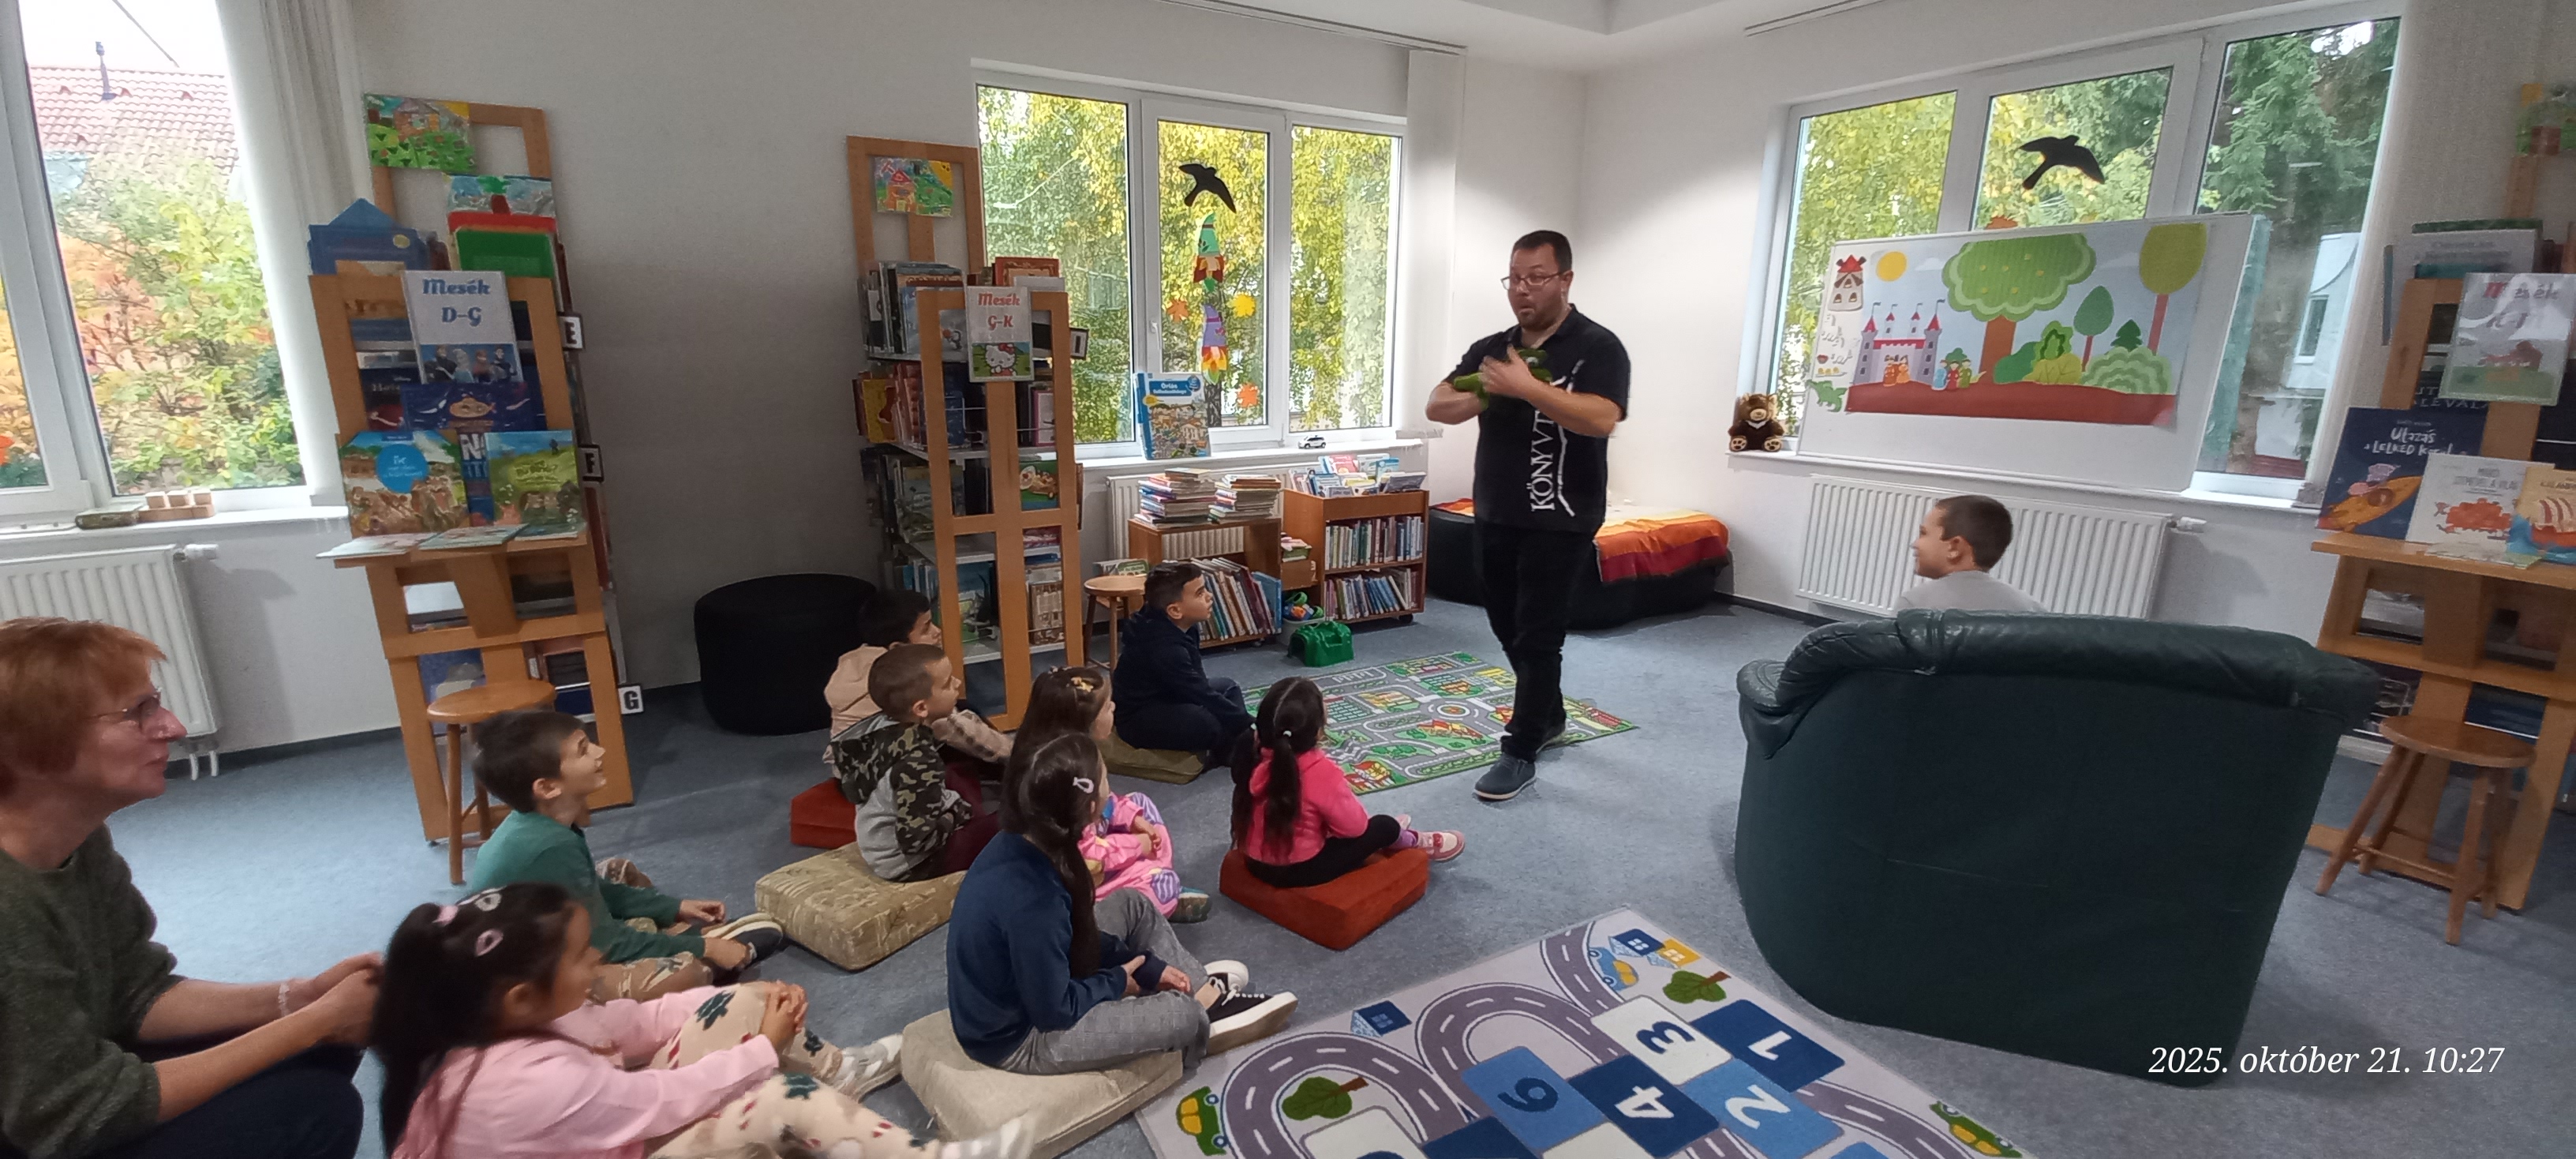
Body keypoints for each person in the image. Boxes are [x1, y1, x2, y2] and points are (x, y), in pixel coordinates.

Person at [0, 617, 377, 1159]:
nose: (173, 727)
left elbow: (134, 991)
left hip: (57, 1090)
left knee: (321, 1050)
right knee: (310, 1108)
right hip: (40, 1126)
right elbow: (72, 1116)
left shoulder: (76, 839)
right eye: (138, 712)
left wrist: (302, 999)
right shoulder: (9, 902)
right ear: (30, 745)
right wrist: (313, 1024)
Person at [371, 881, 1026, 1159]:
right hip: (626, 1131)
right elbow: (656, 1101)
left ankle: (841, 1074)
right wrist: (762, 1051)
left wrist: (752, 1000)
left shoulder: (518, 1020)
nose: (597, 959)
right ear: (519, 998)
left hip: (613, 1125)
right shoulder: (522, 1083)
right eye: (580, 955)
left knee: (738, 1002)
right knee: (781, 1097)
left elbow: (631, 1022)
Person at [947, 734, 1294, 1077]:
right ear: (1091, 809)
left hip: (1042, 981)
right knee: (1181, 1015)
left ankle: (1206, 997)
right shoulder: (1034, 900)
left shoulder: (1034, 838)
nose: (1110, 787)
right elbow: (1054, 1010)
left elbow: (1074, 932)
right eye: (1105, 778)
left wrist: (1147, 968)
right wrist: (1116, 982)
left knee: (1132, 904)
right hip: (1023, 1037)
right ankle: (1200, 1019)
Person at [1425, 229, 1631, 803]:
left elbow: (1602, 418)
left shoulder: (1598, 347)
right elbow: (1438, 404)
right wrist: (1495, 389)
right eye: (1514, 278)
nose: (1523, 289)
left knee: (1539, 635)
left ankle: (1520, 749)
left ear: (1565, 279)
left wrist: (1530, 389)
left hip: (1562, 517)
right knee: (1505, 624)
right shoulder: (1493, 349)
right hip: (1496, 511)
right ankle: (1550, 712)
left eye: (1536, 277)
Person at [464, 710, 781, 1002]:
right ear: (547, 788)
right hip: (537, 981)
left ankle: (676, 936)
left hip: (561, 934)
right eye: (584, 750)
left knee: (618, 869)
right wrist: (705, 948)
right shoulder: (549, 846)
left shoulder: (543, 823)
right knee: (684, 975)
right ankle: (708, 958)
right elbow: (605, 943)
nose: (599, 752)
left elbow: (592, 889)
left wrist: (674, 907)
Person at [1013, 666, 1209, 923]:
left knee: (1139, 803)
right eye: (1107, 707)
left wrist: (1132, 818)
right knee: (1163, 883)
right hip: (1079, 875)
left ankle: (1151, 874)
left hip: (1093, 838)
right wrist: (1139, 845)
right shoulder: (1066, 779)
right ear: (1086, 722)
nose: (1114, 708)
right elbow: (1090, 856)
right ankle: (1146, 893)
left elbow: (1106, 804)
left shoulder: (1072, 758)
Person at [1237, 677, 1462, 887]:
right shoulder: (1320, 771)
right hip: (1300, 870)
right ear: (1318, 732)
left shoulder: (1248, 750)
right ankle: (1411, 840)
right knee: (1384, 826)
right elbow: (1355, 828)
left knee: (1310, 814)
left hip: (1253, 860)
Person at [832, 644, 997, 881]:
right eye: (947, 684)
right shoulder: (918, 761)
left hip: (879, 848)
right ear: (921, 708)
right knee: (1014, 824)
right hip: (912, 863)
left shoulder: (881, 728)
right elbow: (917, 842)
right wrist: (954, 815)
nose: (958, 683)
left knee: (957, 769)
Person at [823, 590, 1010, 764]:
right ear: (898, 648)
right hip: (896, 771)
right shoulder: (905, 679)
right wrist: (1015, 754)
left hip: (848, 771)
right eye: (926, 629)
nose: (937, 631)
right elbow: (956, 727)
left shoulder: (853, 661)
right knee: (962, 726)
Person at [1112, 563, 1252, 767]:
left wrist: (1240, 723)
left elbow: (1198, 683)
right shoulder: (1164, 649)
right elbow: (1199, 692)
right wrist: (1250, 725)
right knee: (1207, 722)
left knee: (1228, 687)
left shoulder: (1184, 626)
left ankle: (1232, 745)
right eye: (1200, 593)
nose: (1210, 596)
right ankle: (1233, 749)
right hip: (1138, 716)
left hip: (1169, 695)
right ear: (1175, 610)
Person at [1896, 495, 2045, 613]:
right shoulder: (2033, 609)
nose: (1915, 544)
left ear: (1954, 548)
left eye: (1923, 533)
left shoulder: (1914, 605)